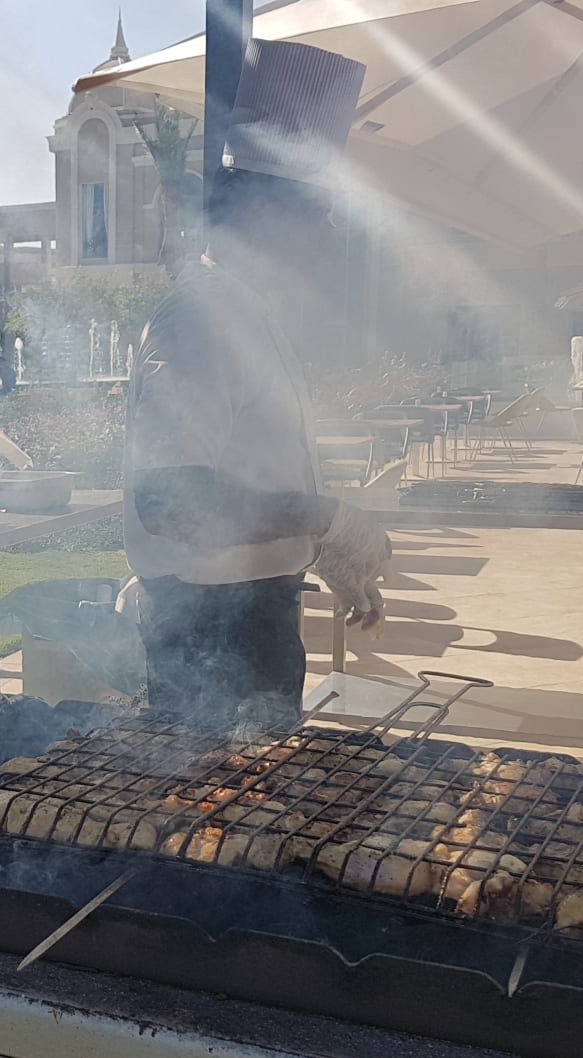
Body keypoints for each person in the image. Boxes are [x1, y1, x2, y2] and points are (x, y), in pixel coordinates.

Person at [123, 40, 390, 732]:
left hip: (254, 615)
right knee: (216, 796)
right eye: (319, 210)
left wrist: (314, 550)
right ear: (267, 211)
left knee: (261, 792)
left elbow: (255, 472)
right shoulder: (201, 322)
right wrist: (324, 518)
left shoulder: (254, 316)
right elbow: (171, 503)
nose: (331, 233)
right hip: (210, 633)